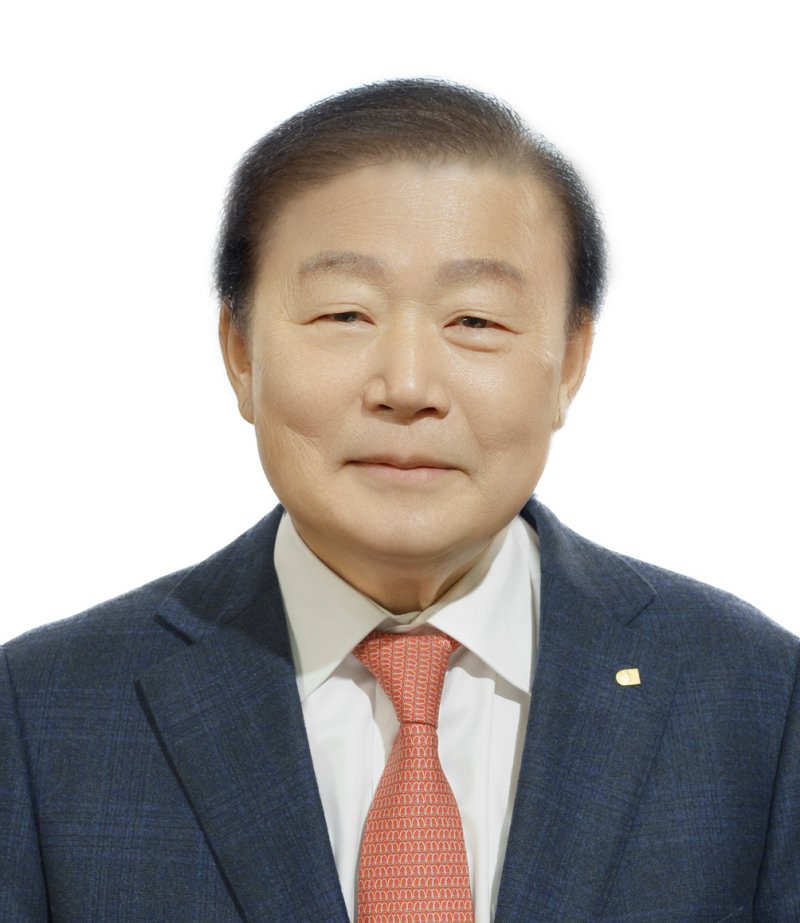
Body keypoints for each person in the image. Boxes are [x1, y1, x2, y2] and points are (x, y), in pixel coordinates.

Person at [1, 79, 797, 923]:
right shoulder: (43, 715)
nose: (408, 385)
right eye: (345, 314)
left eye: (476, 321)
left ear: (569, 362)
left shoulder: (755, 696)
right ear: (240, 351)